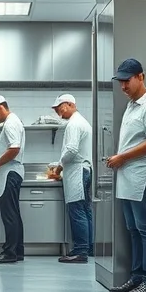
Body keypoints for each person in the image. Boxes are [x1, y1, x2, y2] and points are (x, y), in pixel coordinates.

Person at [105, 58, 146, 292]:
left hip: (141, 175)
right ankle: (137, 277)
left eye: (126, 80)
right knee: (133, 230)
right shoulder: (133, 105)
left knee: (145, 229)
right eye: (120, 82)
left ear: (141, 76)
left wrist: (122, 157)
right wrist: (120, 159)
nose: (123, 86)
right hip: (127, 175)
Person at [49, 94, 94, 264]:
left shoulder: (74, 124)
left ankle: (81, 251)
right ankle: (88, 247)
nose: (57, 112)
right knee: (85, 210)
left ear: (69, 104)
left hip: (77, 171)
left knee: (77, 211)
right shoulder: (82, 122)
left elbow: (72, 150)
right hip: (84, 169)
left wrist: (59, 167)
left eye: (59, 108)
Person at [0, 95, 26, 264]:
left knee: (9, 215)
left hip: (10, 173)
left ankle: (9, 253)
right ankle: (17, 251)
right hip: (13, 172)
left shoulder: (10, 123)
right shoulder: (14, 121)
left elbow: (14, 149)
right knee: (14, 214)